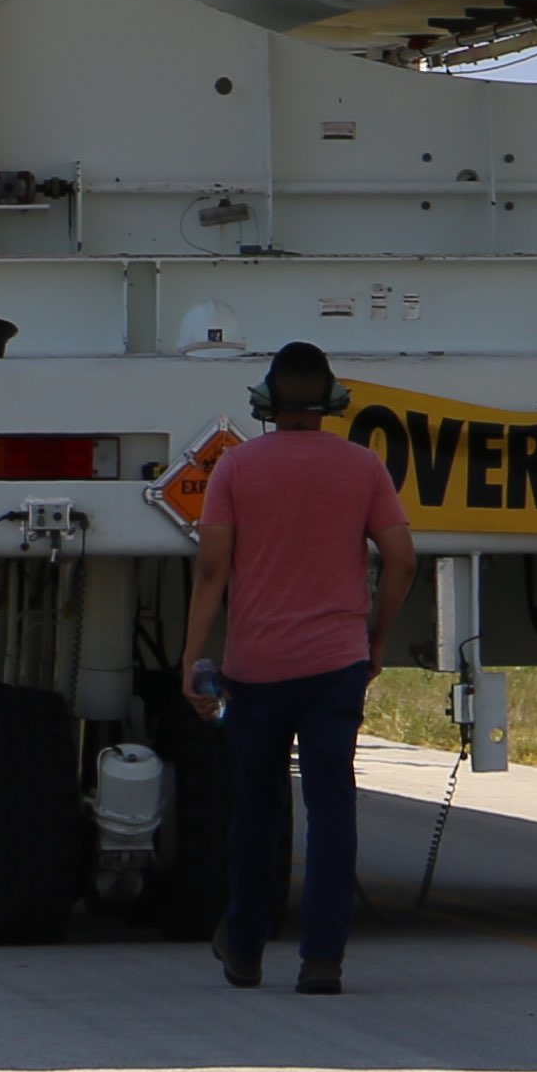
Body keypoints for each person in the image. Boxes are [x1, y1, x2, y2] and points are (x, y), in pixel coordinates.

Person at [177, 340, 414, 996]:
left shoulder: (236, 467)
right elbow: (402, 559)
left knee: (256, 811)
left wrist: (193, 657)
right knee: (332, 809)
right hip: (336, 664)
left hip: (256, 669)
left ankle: (246, 947)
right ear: (334, 401)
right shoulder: (363, 467)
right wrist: (377, 637)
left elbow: (212, 569)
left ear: (266, 402)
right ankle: (322, 960)